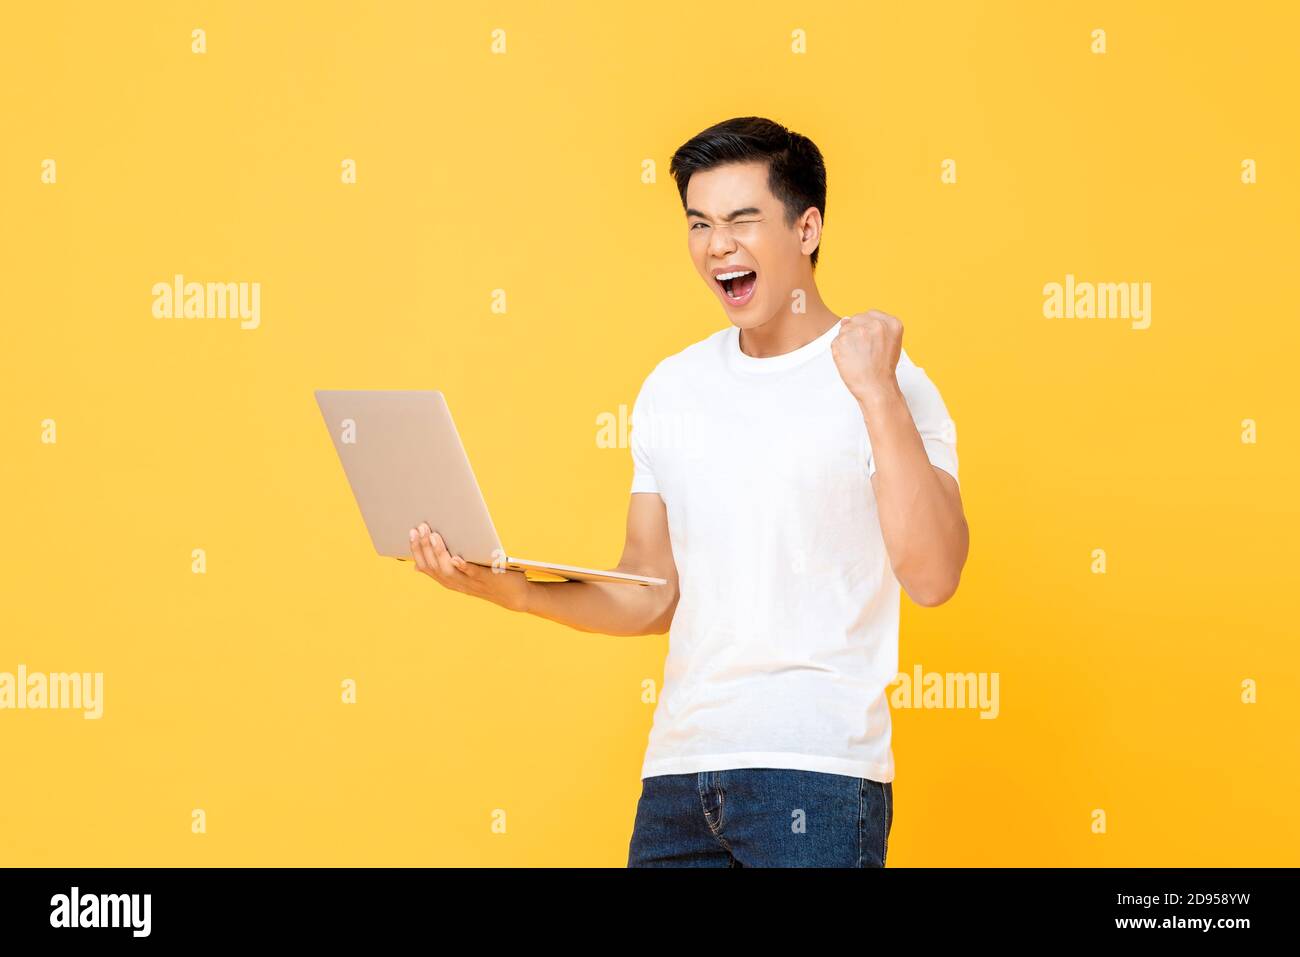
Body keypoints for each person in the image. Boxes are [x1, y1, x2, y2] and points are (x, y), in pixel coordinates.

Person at [407, 116, 970, 867]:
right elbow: (651, 593)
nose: (717, 246)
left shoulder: (891, 379)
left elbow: (933, 574)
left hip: (816, 774)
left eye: (742, 220)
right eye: (699, 223)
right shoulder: (674, 387)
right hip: (677, 780)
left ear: (807, 228)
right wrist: (515, 589)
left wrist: (874, 393)